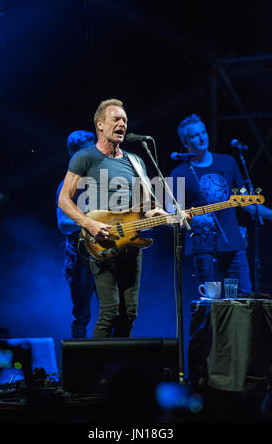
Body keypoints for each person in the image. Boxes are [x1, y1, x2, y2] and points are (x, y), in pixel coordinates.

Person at [58, 98, 190, 338]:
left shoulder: (136, 161)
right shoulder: (85, 157)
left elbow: (146, 206)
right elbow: (64, 200)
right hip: (102, 243)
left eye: (125, 120)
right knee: (109, 313)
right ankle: (94, 373)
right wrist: (89, 223)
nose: (122, 124)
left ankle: (116, 370)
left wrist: (162, 215)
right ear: (100, 124)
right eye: (116, 119)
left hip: (131, 244)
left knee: (129, 313)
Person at [170, 113, 272, 295]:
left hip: (234, 246)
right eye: (195, 135)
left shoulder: (227, 162)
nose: (202, 137)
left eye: (203, 132)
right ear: (185, 142)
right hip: (203, 249)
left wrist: (271, 215)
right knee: (213, 304)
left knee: (244, 298)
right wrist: (191, 220)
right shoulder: (178, 173)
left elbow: (244, 200)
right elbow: (171, 215)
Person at [56, 130, 96, 338]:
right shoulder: (67, 186)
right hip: (81, 258)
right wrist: (89, 221)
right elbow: (63, 224)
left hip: (107, 255)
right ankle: (82, 366)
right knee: (81, 315)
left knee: (116, 311)